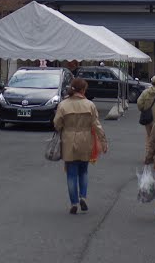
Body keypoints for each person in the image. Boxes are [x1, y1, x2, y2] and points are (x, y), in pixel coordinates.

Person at [53, 77, 108, 214]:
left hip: (69, 139)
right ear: (83, 90)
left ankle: (74, 202)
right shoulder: (89, 105)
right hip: (86, 139)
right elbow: (97, 125)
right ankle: (83, 196)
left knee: (71, 173)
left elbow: (57, 123)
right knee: (83, 171)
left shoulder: (63, 105)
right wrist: (103, 140)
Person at [137, 75, 155, 141]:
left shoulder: (145, 92)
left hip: (148, 118)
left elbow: (139, 103)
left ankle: (149, 150)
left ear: (151, 82)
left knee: (149, 136)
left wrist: (143, 109)